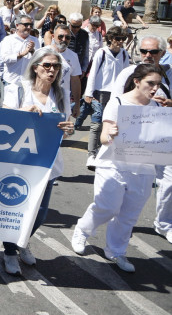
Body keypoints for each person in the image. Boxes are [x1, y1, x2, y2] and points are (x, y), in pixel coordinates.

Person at [71, 63, 166, 272]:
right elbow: (104, 138)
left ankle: (116, 251)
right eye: (150, 83)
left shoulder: (157, 108)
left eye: (158, 85)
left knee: (129, 214)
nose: (154, 89)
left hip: (142, 168)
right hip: (112, 164)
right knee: (107, 207)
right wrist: (111, 134)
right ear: (137, 81)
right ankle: (82, 230)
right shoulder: (118, 103)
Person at [1, 47, 75, 274]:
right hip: (20, 161)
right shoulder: (19, 89)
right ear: (36, 68)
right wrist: (24, 111)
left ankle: (22, 242)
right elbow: (4, 119)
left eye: (56, 67)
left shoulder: (60, 94)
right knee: (18, 209)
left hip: (48, 162)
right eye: (47, 66)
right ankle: (10, 252)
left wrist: (69, 129)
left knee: (40, 214)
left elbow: (66, 127)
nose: (52, 70)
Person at [82, 26, 130, 168]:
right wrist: (88, 93)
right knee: (97, 124)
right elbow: (93, 73)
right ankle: (91, 155)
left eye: (123, 39)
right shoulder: (101, 53)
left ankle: (102, 152)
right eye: (117, 39)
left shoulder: (124, 54)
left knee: (110, 124)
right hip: (100, 92)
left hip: (116, 94)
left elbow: (127, 75)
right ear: (110, 38)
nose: (120, 42)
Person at [0, 15, 40, 98]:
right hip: (11, 81)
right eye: (26, 24)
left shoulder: (35, 40)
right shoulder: (8, 40)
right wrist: (22, 54)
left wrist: (32, 51)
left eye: (30, 25)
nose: (28, 27)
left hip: (28, 83)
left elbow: (39, 61)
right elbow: (4, 58)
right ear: (17, 25)